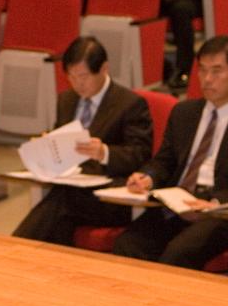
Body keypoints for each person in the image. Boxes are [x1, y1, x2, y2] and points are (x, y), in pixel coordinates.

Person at [109, 37, 228, 268]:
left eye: (217, 71)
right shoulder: (184, 112)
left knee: (178, 254)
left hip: (218, 214)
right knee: (127, 245)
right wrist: (148, 176)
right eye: (203, 71)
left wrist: (217, 202)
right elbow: (165, 160)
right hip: (176, 204)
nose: (208, 79)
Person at [12, 37, 153, 245]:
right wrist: (46, 147)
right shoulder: (66, 100)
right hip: (71, 186)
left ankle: (16, 247)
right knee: (60, 217)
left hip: (110, 195)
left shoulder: (129, 104)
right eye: (71, 76)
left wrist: (104, 152)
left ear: (104, 68)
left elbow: (140, 154)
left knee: (62, 201)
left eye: (84, 76)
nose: (78, 83)